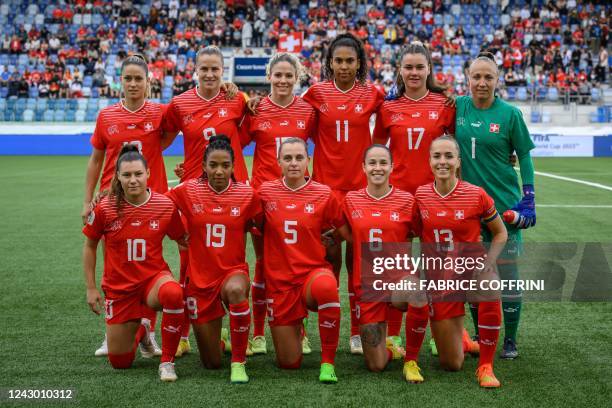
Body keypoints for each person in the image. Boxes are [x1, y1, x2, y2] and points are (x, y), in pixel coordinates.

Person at [302, 33, 385, 354]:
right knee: (327, 265)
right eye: (338, 60)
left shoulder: (373, 94)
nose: (344, 66)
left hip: (360, 194)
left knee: (359, 266)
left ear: (360, 63)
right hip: (325, 193)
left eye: (350, 61)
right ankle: (319, 332)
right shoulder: (315, 93)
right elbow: (298, 129)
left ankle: (355, 332)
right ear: (330, 63)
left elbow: (402, 101)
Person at [82, 54, 168, 358]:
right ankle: (113, 330)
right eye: (128, 78)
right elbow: (95, 159)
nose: (133, 83)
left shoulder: (160, 113)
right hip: (112, 202)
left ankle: (148, 330)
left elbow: (167, 138)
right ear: (121, 81)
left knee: (151, 265)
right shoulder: (106, 116)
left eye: (138, 78)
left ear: (148, 82)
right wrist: (87, 198)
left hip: (150, 200)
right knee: (116, 267)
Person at [163, 45, 246, 357]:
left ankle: (249, 329)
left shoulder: (236, 99)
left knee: (235, 261)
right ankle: (185, 333)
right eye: (205, 68)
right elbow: (163, 137)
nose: (210, 74)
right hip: (195, 196)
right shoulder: (180, 103)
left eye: (215, 69)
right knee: (189, 265)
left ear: (223, 71)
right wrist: (186, 165)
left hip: (234, 193)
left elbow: (248, 136)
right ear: (195, 69)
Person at [373, 43, 455, 349]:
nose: (414, 73)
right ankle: (394, 334)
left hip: (434, 198)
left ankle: (437, 333)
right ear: (399, 70)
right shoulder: (388, 107)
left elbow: (458, 151)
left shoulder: (445, 104)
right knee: (397, 267)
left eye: (420, 67)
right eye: (408, 67)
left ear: (429, 70)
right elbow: (377, 152)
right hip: (398, 199)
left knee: (438, 267)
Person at [455, 52, 536, 359]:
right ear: (467, 78)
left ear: (497, 80)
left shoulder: (511, 114)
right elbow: (431, 94)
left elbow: (524, 155)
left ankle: (510, 339)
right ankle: (479, 333)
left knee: (509, 276)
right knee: (477, 277)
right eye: (476, 76)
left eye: (488, 77)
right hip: (470, 211)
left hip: (504, 209)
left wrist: (528, 196)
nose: (482, 82)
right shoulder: (458, 107)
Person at [82, 145, 186, 382]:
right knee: (120, 363)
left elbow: (183, 239)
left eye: (138, 174)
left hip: (152, 281)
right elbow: (90, 245)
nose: (133, 180)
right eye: (127, 175)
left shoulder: (164, 205)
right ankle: (142, 332)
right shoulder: (105, 208)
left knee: (173, 292)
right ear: (117, 176)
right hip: (120, 288)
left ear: (148, 173)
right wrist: (90, 287)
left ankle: (167, 362)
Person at [412, 136, 507, 388]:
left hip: (471, 270)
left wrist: (488, 262)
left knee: (489, 285)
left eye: (448, 156)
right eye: (437, 156)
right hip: (440, 280)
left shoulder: (476, 194)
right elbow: (409, 232)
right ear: (430, 160)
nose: (443, 161)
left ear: (458, 162)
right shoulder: (420, 195)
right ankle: (463, 340)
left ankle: (485, 366)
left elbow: (500, 232)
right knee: (451, 364)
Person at [239, 53, 317, 355]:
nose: (283, 81)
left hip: (300, 199)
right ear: (269, 76)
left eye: (289, 76)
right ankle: (258, 334)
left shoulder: (308, 111)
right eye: (278, 75)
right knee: (263, 266)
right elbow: (236, 143)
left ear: (296, 78)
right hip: (265, 200)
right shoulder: (256, 110)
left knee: (299, 266)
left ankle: (301, 331)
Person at [166, 135, 259, 384]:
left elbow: (268, 221)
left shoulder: (247, 195)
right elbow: (158, 204)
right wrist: (176, 232)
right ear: (204, 167)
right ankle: (222, 337)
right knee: (212, 363)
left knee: (238, 289)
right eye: (214, 165)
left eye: (225, 165)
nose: (219, 171)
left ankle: (239, 361)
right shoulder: (187, 190)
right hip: (200, 280)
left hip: (232, 272)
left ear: (233, 166)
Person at [337, 144, 429, 383]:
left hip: (399, 281)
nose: (378, 168)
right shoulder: (351, 200)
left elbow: (418, 232)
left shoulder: (407, 201)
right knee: (376, 365)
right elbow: (345, 233)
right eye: (372, 163)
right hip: (368, 287)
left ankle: (411, 360)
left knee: (417, 292)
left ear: (391, 166)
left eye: (382, 163)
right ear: (364, 167)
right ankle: (388, 349)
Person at [256, 138, 342, 383]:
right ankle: (297, 326)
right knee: (289, 363)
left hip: (312, 275)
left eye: (299, 158)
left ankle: (327, 363)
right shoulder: (264, 192)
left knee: (327, 287)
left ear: (308, 161)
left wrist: (332, 238)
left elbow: (346, 229)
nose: (294, 163)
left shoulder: (324, 193)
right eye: (288, 158)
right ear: (278, 162)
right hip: (280, 284)